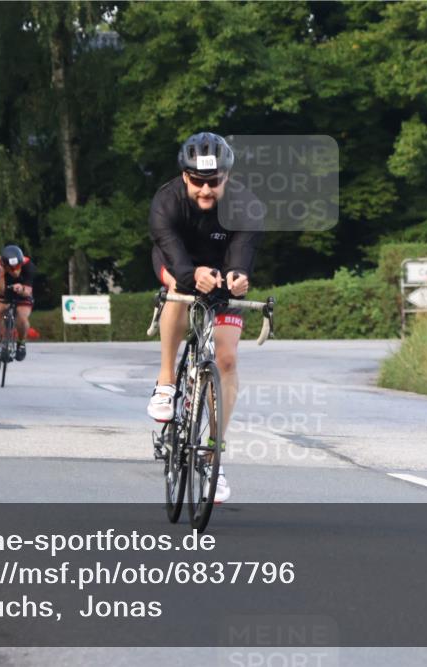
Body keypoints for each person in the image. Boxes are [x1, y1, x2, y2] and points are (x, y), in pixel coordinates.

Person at [147, 132, 264, 503]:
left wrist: (238, 276)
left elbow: (243, 250)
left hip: (220, 275)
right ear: (185, 177)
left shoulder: (246, 204)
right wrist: (190, 274)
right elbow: (171, 251)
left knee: (226, 359)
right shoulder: (166, 202)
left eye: (214, 182)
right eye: (197, 181)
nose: (205, 190)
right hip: (176, 265)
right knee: (179, 295)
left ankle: (214, 452)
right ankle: (166, 380)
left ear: (227, 177)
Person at [0, 244, 34, 362]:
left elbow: (28, 291)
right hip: (4, 292)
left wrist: (22, 289)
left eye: (18, 266)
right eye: (11, 268)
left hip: (22, 292)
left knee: (22, 316)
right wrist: (2, 273)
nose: (15, 271)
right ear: (5, 265)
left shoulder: (28, 265)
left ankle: (21, 343)